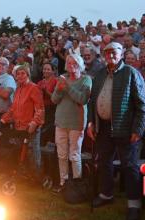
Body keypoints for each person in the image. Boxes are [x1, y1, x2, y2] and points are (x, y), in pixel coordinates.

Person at [87, 42, 145, 220]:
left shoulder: (131, 73)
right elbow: (92, 102)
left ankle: (134, 204)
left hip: (126, 128)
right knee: (104, 163)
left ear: (121, 54)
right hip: (103, 127)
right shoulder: (99, 75)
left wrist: (138, 129)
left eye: (114, 52)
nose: (110, 55)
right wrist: (91, 122)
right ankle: (106, 194)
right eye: (107, 52)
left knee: (129, 166)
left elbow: (142, 104)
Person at [51, 53, 92, 192]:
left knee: (74, 154)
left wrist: (67, 87)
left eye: (74, 63)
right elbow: (54, 100)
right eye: (69, 63)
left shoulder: (86, 79)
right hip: (61, 121)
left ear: (80, 65)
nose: (71, 66)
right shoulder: (64, 79)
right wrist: (58, 88)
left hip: (76, 122)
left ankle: (76, 183)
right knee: (61, 154)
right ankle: (63, 182)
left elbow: (82, 99)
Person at [1, 64, 45, 173]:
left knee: (33, 153)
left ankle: (37, 176)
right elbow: (13, 108)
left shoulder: (34, 88)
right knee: (20, 153)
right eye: (18, 74)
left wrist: (34, 123)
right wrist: (4, 119)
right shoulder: (17, 89)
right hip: (19, 127)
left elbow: (40, 109)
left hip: (31, 128)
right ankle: (23, 175)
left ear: (28, 74)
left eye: (23, 73)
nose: (20, 76)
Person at [37, 62, 57, 145]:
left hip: (51, 109)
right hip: (41, 108)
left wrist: (46, 91)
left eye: (48, 69)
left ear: (53, 71)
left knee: (49, 127)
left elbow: (55, 97)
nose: (46, 71)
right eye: (44, 69)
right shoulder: (40, 82)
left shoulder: (56, 81)